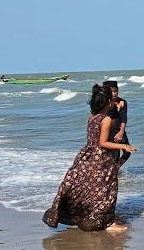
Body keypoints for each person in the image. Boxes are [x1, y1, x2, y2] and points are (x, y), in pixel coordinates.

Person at [42, 82, 135, 232]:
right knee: (107, 190)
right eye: (111, 100)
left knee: (87, 189)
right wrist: (124, 146)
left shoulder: (92, 117)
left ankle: (88, 216)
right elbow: (103, 143)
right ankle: (108, 223)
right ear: (108, 102)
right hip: (102, 159)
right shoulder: (106, 120)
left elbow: (93, 140)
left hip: (86, 156)